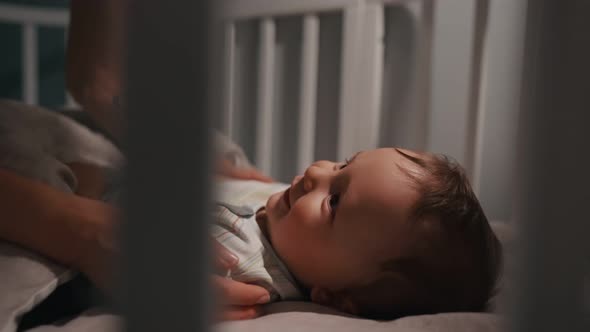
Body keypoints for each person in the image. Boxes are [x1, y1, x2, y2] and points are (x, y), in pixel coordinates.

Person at [1, 102, 502, 318]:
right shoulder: (290, 220)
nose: (315, 171)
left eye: (334, 199)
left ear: (334, 299)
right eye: (343, 163)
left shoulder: (245, 269)